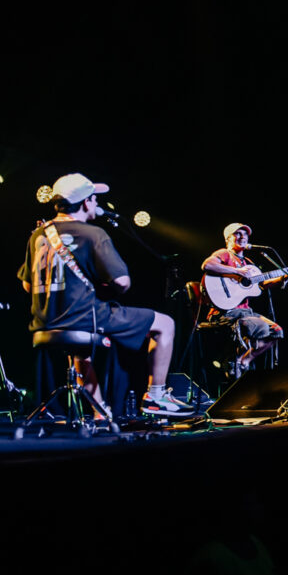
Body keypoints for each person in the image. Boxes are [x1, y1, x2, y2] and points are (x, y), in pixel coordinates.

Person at [18, 172, 192, 417]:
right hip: (85, 316)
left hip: (45, 323)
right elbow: (122, 283)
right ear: (86, 202)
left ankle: (100, 412)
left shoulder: (39, 234)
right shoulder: (93, 233)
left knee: (81, 352)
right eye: (95, 199)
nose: (97, 204)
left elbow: (27, 286)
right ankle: (156, 396)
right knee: (165, 324)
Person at [200, 223, 286, 376]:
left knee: (276, 332)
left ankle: (243, 360)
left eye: (245, 234)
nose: (242, 237)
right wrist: (237, 271)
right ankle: (235, 364)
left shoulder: (249, 264)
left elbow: (261, 286)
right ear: (228, 239)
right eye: (237, 234)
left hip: (245, 312)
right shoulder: (224, 254)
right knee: (261, 329)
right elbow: (207, 265)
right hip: (226, 311)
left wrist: (282, 277)